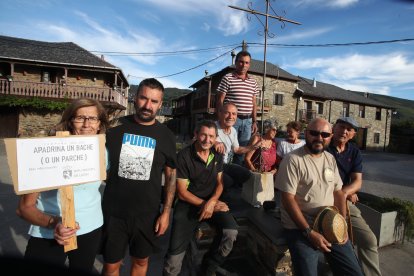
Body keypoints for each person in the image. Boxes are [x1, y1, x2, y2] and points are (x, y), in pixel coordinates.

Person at [16, 98, 109, 274]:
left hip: (91, 229)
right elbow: (24, 208)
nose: (86, 124)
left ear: (99, 124)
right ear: (70, 121)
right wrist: (54, 223)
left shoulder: (103, 152)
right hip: (50, 232)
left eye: (93, 119)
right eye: (80, 117)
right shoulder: (45, 152)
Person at [101, 78, 177, 276]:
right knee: (111, 266)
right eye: (143, 98)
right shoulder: (114, 129)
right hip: (114, 212)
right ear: (135, 98)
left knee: (141, 263)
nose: (147, 105)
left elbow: (170, 175)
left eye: (154, 101)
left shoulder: (167, 136)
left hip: (147, 215)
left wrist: (166, 212)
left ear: (161, 104)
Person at [275, 118, 364, 276]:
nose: (319, 138)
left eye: (324, 134)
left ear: (330, 136)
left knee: (354, 272)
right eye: (314, 133)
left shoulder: (330, 159)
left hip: (329, 222)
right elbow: (287, 199)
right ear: (306, 133)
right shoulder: (293, 160)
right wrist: (309, 232)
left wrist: (341, 225)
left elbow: (338, 192)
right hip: (301, 227)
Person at [163, 120, 238, 276]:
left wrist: (212, 201)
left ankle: (208, 268)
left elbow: (220, 183)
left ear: (216, 137)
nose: (207, 140)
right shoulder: (183, 156)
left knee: (231, 233)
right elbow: (182, 192)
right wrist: (207, 204)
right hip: (187, 205)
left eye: (211, 136)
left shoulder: (217, 155)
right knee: (174, 259)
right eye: (203, 135)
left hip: (210, 202)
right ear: (196, 135)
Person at [327, 117, 381, 276]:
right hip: (322, 199)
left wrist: (346, 192)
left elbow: (357, 181)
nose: (344, 131)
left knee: (369, 240)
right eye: (341, 126)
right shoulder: (323, 145)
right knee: (334, 241)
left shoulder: (354, 151)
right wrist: (346, 192)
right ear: (334, 127)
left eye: (349, 129)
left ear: (353, 134)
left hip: (343, 200)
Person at [216, 50, 259, 165]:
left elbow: (254, 103)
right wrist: (221, 117)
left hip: (248, 121)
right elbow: (220, 99)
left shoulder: (253, 82)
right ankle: (224, 175)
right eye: (241, 62)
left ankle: (236, 177)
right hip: (232, 119)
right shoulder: (227, 78)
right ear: (236, 62)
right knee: (228, 149)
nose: (243, 65)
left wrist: (255, 121)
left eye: (246, 63)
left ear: (249, 64)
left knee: (241, 151)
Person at [214, 103, 260, 193]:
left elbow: (237, 149)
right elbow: (196, 140)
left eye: (234, 114)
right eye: (227, 113)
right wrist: (214, 142)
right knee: (228, 181)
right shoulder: (212, 127)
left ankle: (223, 193)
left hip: (224, 164)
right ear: (220, 113)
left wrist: (255, 146)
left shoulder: (233, 130)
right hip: (212, 165)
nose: (231, 116)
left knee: (246, 174)